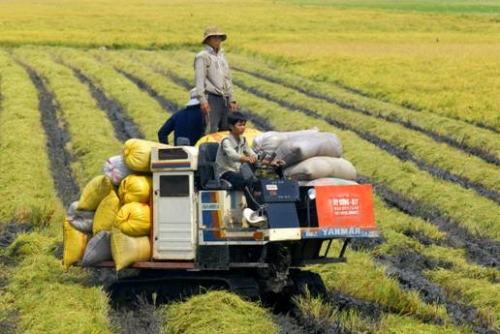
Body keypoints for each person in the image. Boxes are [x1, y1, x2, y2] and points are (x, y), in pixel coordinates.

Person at [194, 26, 237, 134]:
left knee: (227, 129)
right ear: (208, 40)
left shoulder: (222, 56)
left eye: (219, 38)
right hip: (212, 98)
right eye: (214, 38)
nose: (218, 40)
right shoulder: (203, 56)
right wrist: (203, 100)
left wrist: (232, 98)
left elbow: (228, 78)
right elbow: (200, 80)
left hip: (225, 98)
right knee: (211, 130)